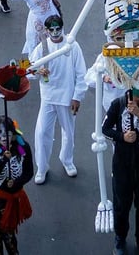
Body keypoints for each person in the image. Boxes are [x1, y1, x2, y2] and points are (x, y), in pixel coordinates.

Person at [102, 80, 139, 255]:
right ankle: (120, 238)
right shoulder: (118, 104)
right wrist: (122, 137)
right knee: (121, 205)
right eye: (137, 96)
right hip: (122, 164)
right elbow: (105, 129)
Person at [27, 16, 87, 185]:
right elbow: (29, 70)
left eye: (57, 29)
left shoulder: (72, 46)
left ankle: (67, 160)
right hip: (48, 97)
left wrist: (77, 97)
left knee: (68, 131)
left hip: (67, 97)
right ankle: (42, 167)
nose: (54, 32)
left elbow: (81, 73)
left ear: (62, 28)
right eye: (51, 30)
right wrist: (38, 71)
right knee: (42, 132)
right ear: (46, 31)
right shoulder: (42, 48)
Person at [0, 116, 34, 255]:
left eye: (7, 134)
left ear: (13, 133)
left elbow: (29, 172)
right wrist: (3, 160)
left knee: (9, 238)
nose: (4, 137)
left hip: (9, 202)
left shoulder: (22, 148)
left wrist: (16, 183)